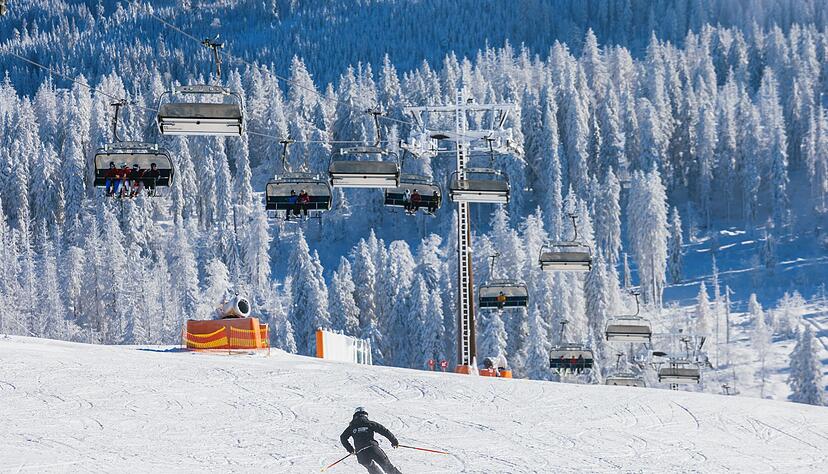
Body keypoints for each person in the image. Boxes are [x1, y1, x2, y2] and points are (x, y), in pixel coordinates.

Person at [340, 407, 402, 474]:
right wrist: (394, 441)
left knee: (372, 468)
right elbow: (384, 431)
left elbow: (343, 437)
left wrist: (351, 450)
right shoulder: (369, 423)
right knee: (387, 467)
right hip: (373, 449)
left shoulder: (351, 427)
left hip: (361, 453)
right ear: (366, 415)